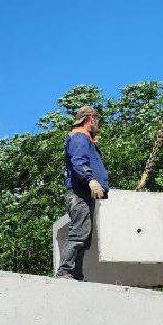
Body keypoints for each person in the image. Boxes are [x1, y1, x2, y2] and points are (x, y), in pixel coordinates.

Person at [56, 105, 109, 280]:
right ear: (90, 119)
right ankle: (65, 271)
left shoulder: (87, 139)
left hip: (85, 194)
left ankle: (76, 274)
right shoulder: (79, 137)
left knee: (84, 236)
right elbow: (78, 162)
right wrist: (91, 180)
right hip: (79, 193)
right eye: (97, 118)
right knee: (79, 232)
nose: (98, 122)